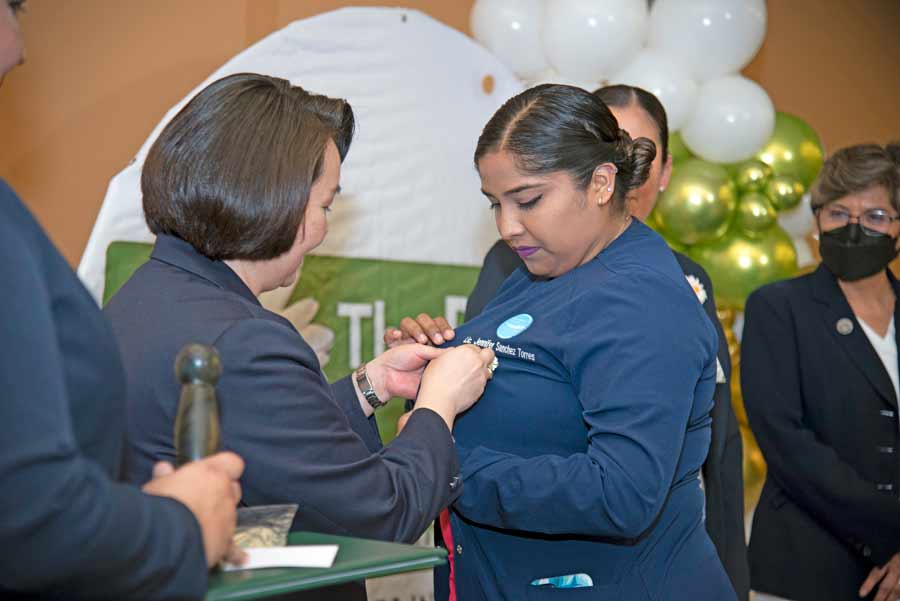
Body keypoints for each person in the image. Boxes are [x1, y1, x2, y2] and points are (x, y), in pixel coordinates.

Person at [103, 72, 495, 600]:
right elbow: (380, 512)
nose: (323, 229)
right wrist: (439, 403)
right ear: (276, 201)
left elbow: (266, 441)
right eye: (324, 206)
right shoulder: (245, 339)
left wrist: (367, 386)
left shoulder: (147, 295)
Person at [390, 84, 749, 600]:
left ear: (602, 183)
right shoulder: (543, 267)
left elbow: (621, 493)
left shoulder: (641, 302)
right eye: (495, 203)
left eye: (528, 200)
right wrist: (432, 367)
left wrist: (449, 465)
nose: (508, 226)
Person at [0, 2, 246, 600]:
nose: (21, 36)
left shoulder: (143, 290)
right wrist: (180, 522)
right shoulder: (244, 334)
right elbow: (31, 518)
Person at [742, 142, 900, 601]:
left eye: (875, 216)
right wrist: (892, 535)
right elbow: (787, 442)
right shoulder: (777, 307)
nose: (854, 229)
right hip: (806, 568)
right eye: (837, 213)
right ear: (817, 221)